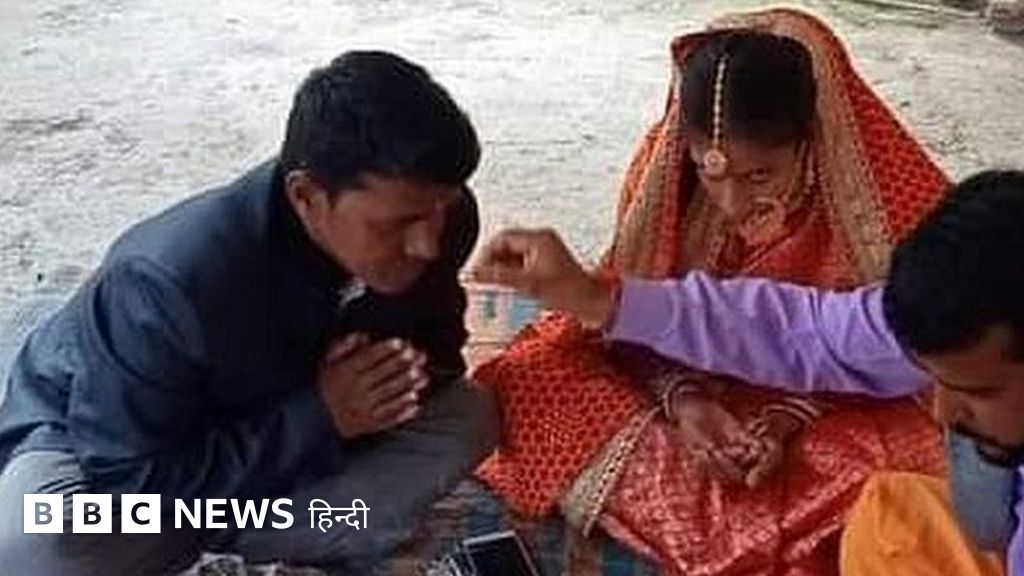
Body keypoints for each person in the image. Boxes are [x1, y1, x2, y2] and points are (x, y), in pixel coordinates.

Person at [470, 8, 951, 575]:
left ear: (809, 141)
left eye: (759, 176)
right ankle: (772, 538)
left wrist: (784, 418)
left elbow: (836, 344)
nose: (730, 202)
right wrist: (686, 401)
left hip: (835, 407)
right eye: (710, 172)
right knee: (529, 378)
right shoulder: (665, 175)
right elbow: (636, 326)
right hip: (685, 390)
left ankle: (744, 536)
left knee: (920, 466)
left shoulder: (884, 209)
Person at [0, 51, 497, 575]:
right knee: (36, 541)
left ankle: (257, 535)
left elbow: (438, 354)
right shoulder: (163, 284)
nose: (426, 244)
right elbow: (130, 486)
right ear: (306, 196)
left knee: (471, 417)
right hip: (114, 452)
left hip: (267, 456)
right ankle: (298, 533)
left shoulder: (444, 218)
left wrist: (383, 383)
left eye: (440, 209)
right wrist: (319, 417)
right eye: (398, 224)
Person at [473, 169, 1024, 575]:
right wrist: (596, 299)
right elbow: (804, 330)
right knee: (888, 514)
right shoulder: (959, 312)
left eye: (978, 391)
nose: (945, 412)